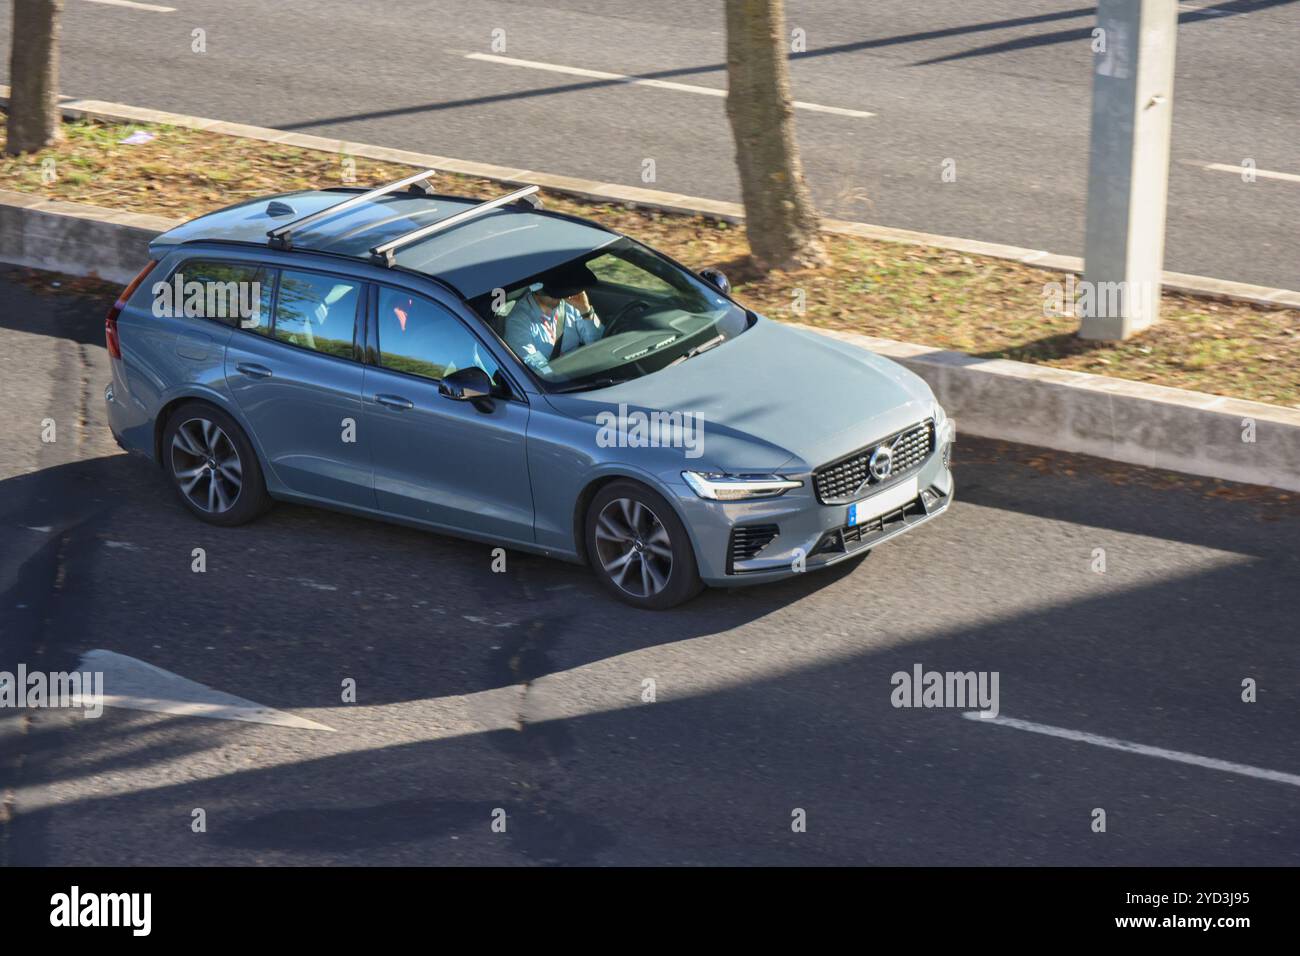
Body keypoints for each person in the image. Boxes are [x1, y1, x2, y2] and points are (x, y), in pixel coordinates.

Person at [504, 268, 604, 375]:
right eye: (554, 291)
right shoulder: (518, 321)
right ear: (537, 288)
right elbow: (535, 366)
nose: (560, 297)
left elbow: (598, 344)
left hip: (581, 371)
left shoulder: (571, 304)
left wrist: (585, 311)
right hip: (557, 384)